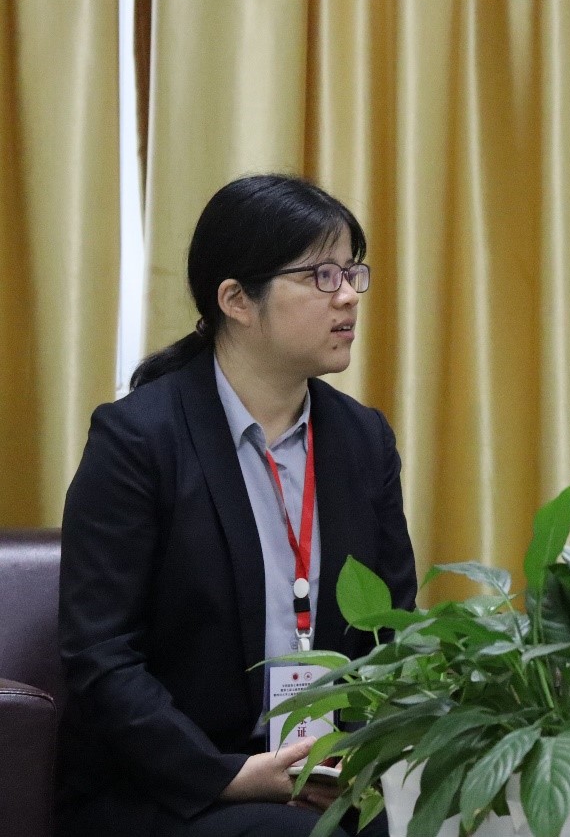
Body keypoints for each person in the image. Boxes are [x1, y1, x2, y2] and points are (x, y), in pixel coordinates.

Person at [57, 175, 417, 837]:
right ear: (236, 300)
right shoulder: (140, 439)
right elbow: (100, 653)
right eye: (321, 275)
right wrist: (224, 775)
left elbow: (392, 630)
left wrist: (367, 755)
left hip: (327, 775)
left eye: (352, 272)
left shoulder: (362, 439)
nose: (347, 295)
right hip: (173, 788)